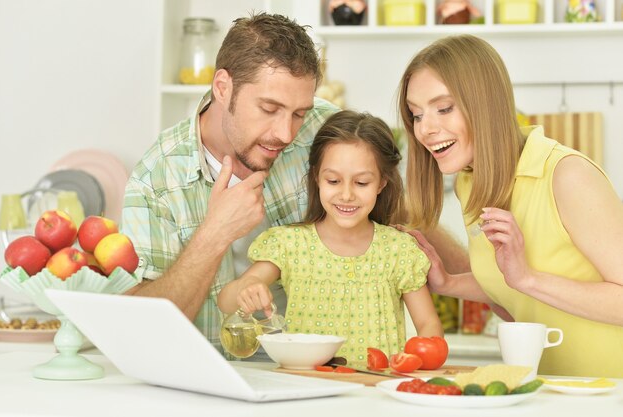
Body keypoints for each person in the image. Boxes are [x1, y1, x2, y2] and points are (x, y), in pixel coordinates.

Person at [122, 12, 468, 356]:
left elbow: (399, 214)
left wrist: (493, 290)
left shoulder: (323, 128)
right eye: (269, 109)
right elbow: (140, 332)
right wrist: (214, 234)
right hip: (206, 377)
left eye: (299, 112)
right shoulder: (156, 179)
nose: (286, 133)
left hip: (313, 374)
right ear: (223, 88)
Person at [397, 34, 623, 377]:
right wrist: (449, 283)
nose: (426, 129)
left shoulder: (566, 175)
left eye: (444, 108)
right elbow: (508, 284)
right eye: (416, 115)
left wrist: (528, 279)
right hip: (553, 387)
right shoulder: (469, 182)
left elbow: (523, 280)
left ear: (486, 103)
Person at [217, 110, 443, 362]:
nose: (346, 195)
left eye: (361, 183)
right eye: (334, 181)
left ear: (381, 183)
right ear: (317, 178)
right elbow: (226, 302)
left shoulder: (399, 250)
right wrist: (246, 289)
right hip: (305, 390)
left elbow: (429, 326)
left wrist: (417, 363)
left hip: (374, 393)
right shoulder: (289, 244)